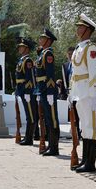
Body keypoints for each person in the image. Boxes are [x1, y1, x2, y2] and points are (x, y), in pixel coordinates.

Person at [69, 14, 96, 173]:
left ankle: (91, 163)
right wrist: (71, 93)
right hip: (79, 92)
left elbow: (94, 73)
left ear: (87, 30)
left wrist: (93, 94)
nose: (78, 29)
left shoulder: (90, 48)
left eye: (81, 27)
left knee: (91, 127)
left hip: (88, 93)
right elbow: (74, 74)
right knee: (84, 127)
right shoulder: (78, 48)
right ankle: (84, 160)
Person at [35, 28, 60, 156]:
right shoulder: (42, 54)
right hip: (43, 90)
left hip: (48, 91)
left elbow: (50, 74)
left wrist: (50, 92)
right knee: (47, 120)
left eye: (43, 38)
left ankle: (54, 147)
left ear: (48, 41)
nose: (40, 40)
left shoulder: (48, 54)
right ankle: (50, 145)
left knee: (52, 119)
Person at [15, 38, 38, 145]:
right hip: (22, 91)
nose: (19, 48)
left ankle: (29, 138)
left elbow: (30, 78)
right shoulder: (22, 60)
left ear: (27, 49)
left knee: (31, 116)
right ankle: (28, 137)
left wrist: (29, 92)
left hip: (27, 92)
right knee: (28, 115)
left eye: (22, 46)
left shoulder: (27, 61)